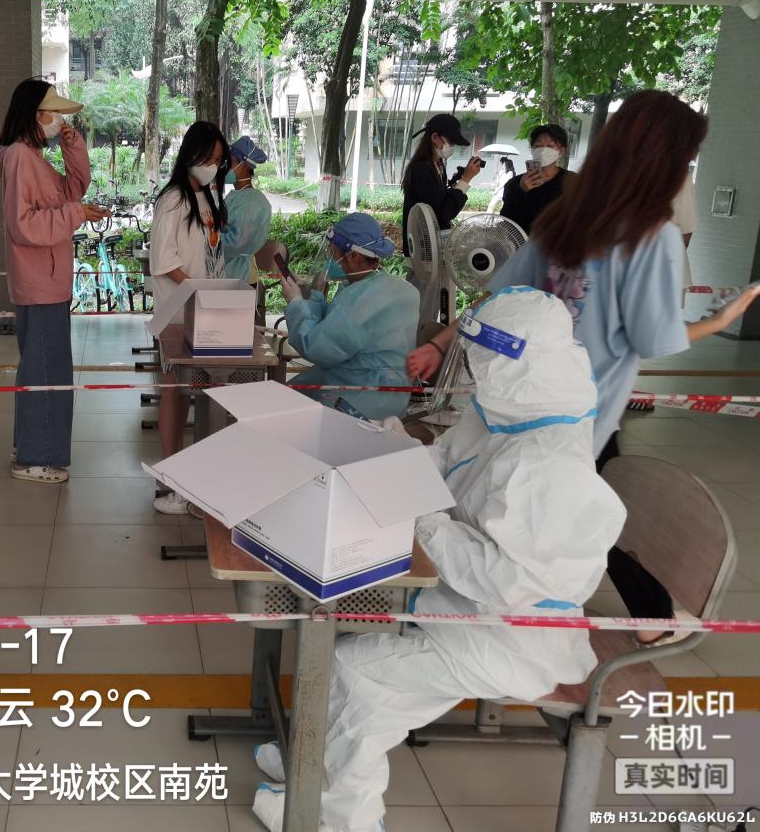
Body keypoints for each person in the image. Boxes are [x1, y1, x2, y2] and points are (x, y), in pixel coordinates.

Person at [252, 288, 627, 832]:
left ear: (511, 363)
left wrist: (423, 518)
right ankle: (310, 765)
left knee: (361, 673)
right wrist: (386, 451)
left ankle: (338, 817)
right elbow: (448, 461)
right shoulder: (509, 413)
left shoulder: (551, 465)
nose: (473, 370)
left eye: (481, 358)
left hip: (506, 636)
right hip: (459, 604)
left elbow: (506, 581)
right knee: (345, 645)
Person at [407, 91, 760, 644]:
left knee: (525, 493)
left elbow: (501, 298)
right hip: (582, 409)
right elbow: (652, 336)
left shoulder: (565, 221)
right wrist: (720, 321)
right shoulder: (653, 238)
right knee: (587, 503)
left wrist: (441, 343)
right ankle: (633, 620)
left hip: (519, 399)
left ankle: (637, 615)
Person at [0, 77, 108, 484]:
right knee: (45, 372)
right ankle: (35, 457)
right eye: (53, 113)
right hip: (40, 282)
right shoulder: (21, 157)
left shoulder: (32, 157)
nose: (59, 120)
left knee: (41, 368)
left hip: (46, 281)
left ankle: (29, 446)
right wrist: (76, 215)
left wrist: (71, 146)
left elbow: (73, 189)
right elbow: (24, 226)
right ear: (34, 115)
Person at [149, 121, 231, 515]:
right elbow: (164, 262)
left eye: (218, 160)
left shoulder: (209, 197)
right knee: (174, 392)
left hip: (206, 312)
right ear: (190, 155)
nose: (213, 166)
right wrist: (199, 289)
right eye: (207, 158)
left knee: (196, 393)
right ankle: (169, 478)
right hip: (178, 313)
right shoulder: (174, 201)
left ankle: (193, 475)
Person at [281, 213, 419, 420]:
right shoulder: (384, 286)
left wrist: (296, 303)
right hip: (374, 384)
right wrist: (309, 296)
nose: (330, 258)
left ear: (354, 255)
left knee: (285, 411)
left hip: (365, 396)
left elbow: (319, 348)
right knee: (286, 398)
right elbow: (334, 323)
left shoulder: (363, 298)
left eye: (333, 252)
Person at [401, 113, 482, 233]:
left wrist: (458, 183)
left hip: (433, 237)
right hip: (422, 239)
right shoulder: (421, 169)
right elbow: (444, 213)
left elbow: (440, 199)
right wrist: (465, 179)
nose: (453, 147)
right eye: (451, 142)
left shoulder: (437, 165)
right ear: (434, 137)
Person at [497, 123, 575, 234]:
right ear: (532, 149)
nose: (543, 150)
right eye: (538, 146)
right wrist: (521, 192)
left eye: (550, 146)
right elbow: (506, 222)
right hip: (523, 243)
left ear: (562, 150)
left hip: (559, 243)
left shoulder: (573, 182)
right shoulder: (514, 183)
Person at [221, 135, 274, 285]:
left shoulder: (254, 202)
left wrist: (208, 239)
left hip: (240, 276)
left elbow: (238, 243)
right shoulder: (234, 196)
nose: (226, 166)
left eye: (231, 162)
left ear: (244, 165)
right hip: (225, 272)